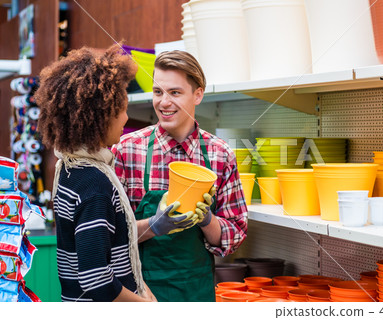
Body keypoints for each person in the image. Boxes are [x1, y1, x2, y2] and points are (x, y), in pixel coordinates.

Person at [112, 50, 248, 302]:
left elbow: (233, 236)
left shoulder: (220, 155)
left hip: (196, 292)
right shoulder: (126, 150)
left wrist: (206, 219)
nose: (164, 102)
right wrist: (155, 225)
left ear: (198, 95)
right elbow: (111, 236)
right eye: (158, 92)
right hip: (140, 294)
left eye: (175, 93)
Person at [35, 45, 156, 302]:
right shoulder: (94, 184)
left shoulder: (69, 168)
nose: (126, 117)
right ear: (100, 116)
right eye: (121, 108)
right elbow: (97, 280)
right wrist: (146, 307)